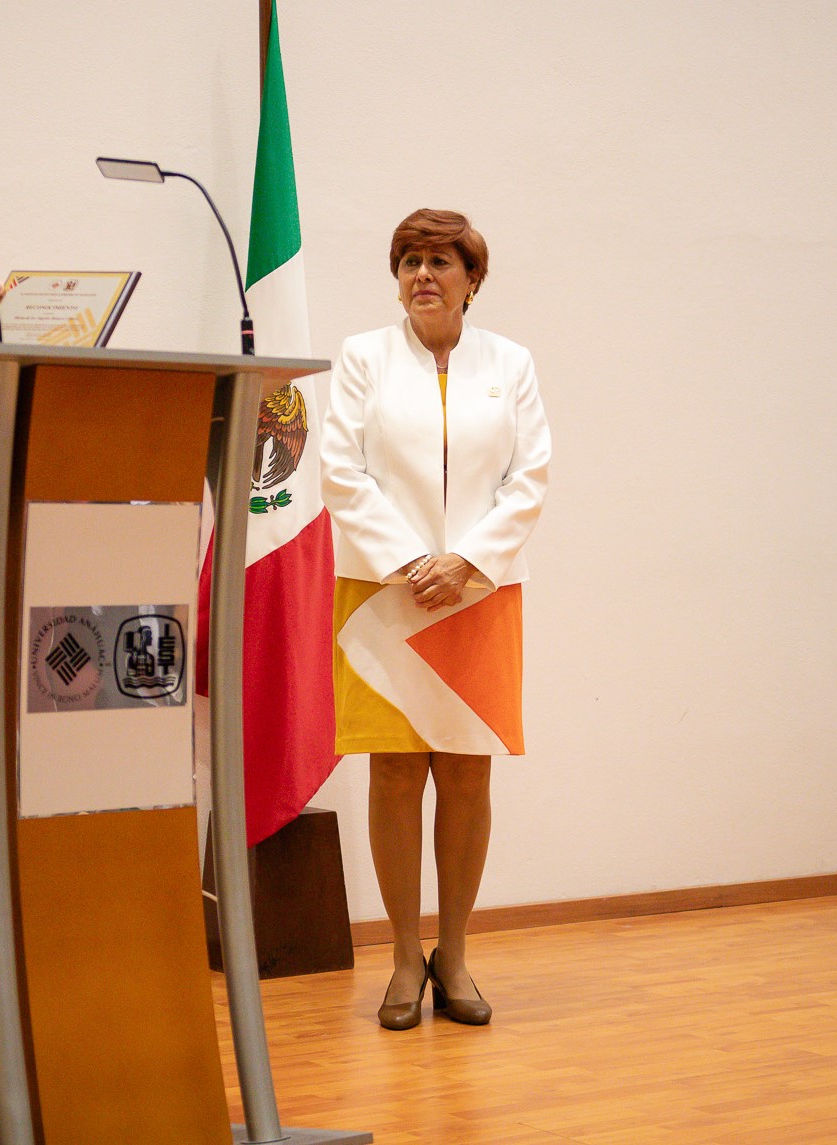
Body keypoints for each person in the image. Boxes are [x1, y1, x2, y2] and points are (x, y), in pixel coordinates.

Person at [320, 208, 551, 1031]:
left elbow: (529, 477)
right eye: (409, 261)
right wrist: (410, 561)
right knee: (391, 771)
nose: (422, 274)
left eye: (440, 261)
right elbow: (340, 471)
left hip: (477, 591)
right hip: (384, 590)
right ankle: (401, 955)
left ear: (471, 279)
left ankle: (452, 954)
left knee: (465, 774)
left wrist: (464, 561)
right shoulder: (363, 357)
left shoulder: (509, 363)